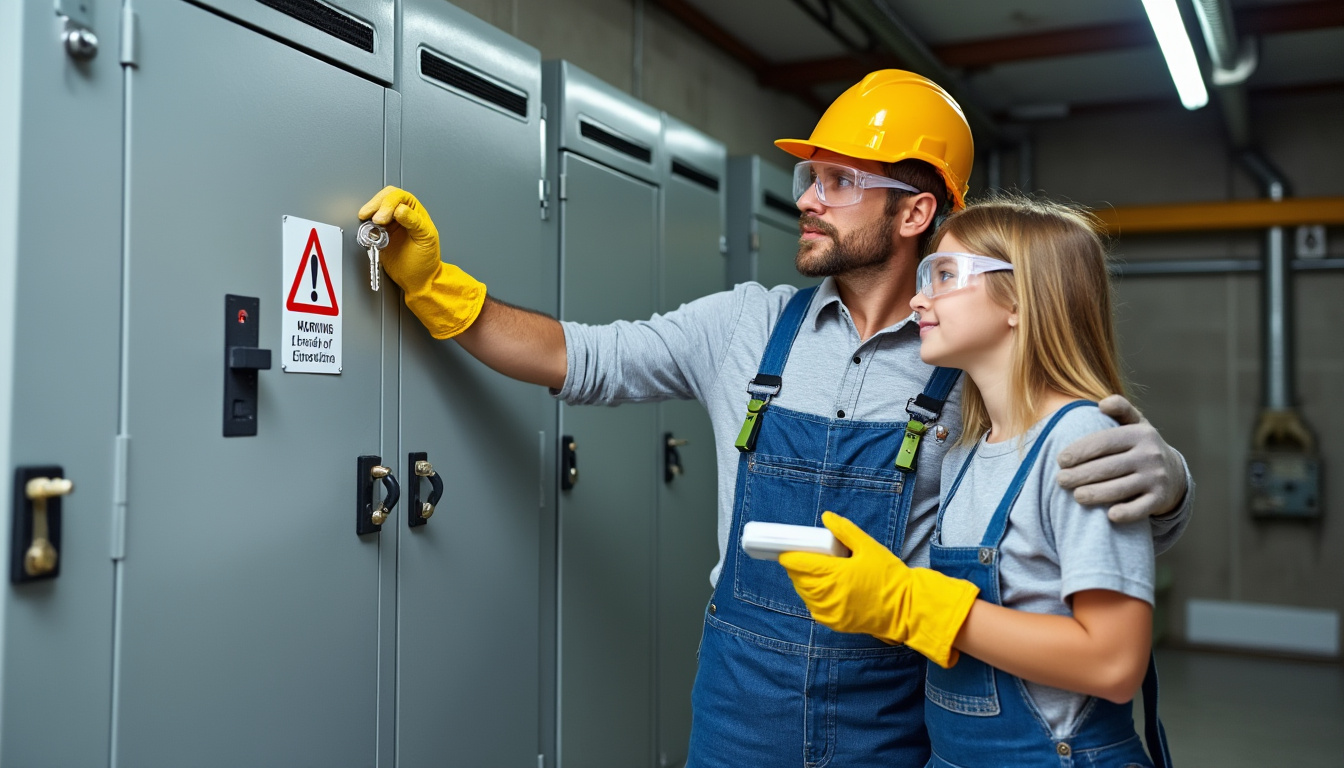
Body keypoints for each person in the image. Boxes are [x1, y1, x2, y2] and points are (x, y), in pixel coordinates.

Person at [357, 70, 1192, 767]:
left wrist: (1170, 484)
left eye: (838, 182)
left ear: (913, 213)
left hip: (892, 715)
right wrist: (438, 287)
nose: (809, 201)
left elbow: (1050, 494)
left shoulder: (968, 360)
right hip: (740, 707)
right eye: (809, 179)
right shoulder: (745, 326)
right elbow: (579, 357)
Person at [780, 197, 1171, 767]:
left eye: (944, 275)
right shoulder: (965, 450)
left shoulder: (1081, 441)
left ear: (1020, 300)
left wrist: (912, 601)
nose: (918, 299)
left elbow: (1113, 664)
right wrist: (880, 597)